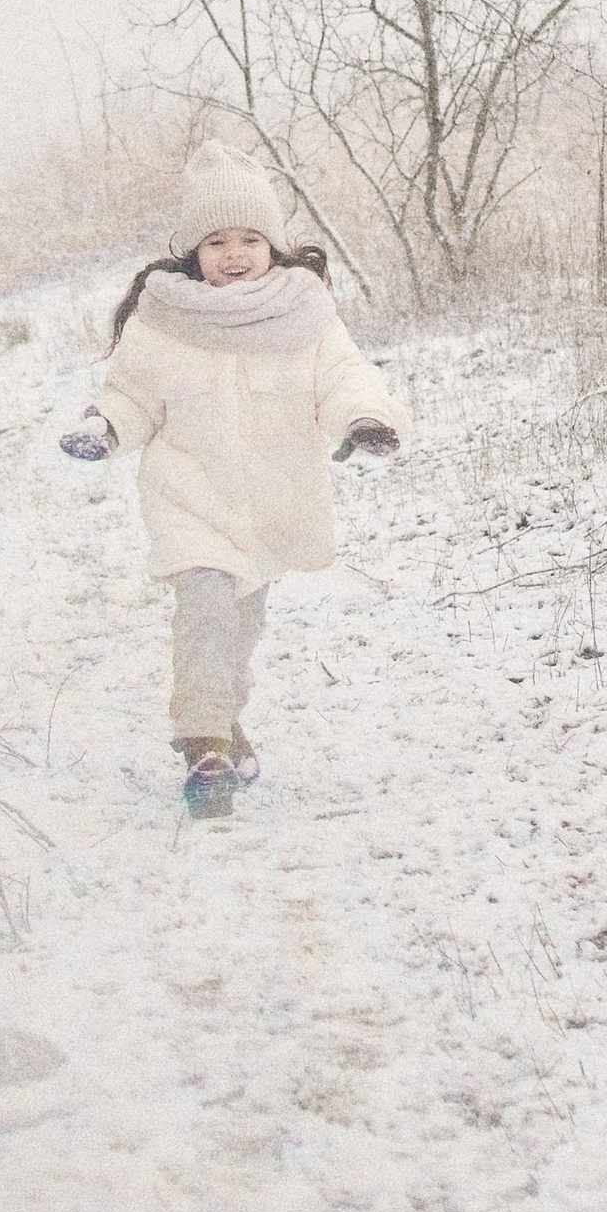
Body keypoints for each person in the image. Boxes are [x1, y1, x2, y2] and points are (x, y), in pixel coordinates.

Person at [60, 146, 404, 815]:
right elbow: (132, 396)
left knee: (239, 628)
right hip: (190, 499)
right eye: (216, 241)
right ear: (194, 251)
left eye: (250, 238)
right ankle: (204, 746)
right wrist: (105, 428)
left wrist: (365, 419)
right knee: (206, 612)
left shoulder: (305, 315)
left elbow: (343, 378)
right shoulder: (164, 322)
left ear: (273, 244)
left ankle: (222, 720)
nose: (235, 253)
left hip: (271, 502)